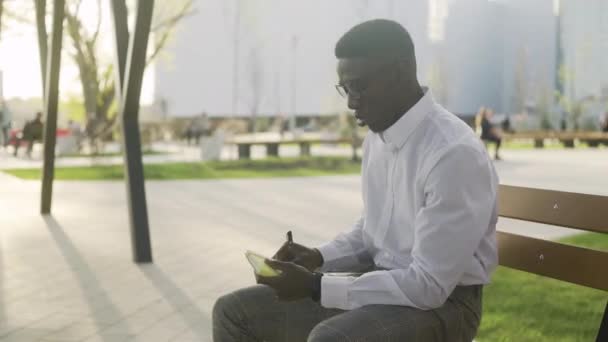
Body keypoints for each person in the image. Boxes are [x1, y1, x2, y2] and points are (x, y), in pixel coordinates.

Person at [213, 19, 498, 342]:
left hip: (447, 305)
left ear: (401, 71)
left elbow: (429, 286)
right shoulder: (377, 138)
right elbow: (372, 230)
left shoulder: (452, 153)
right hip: (381, 282)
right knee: (233, 312)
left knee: (331, 338)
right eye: (345, 88)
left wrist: (315, 286)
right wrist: (318, 258)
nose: (351, 102)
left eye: (360, 86)